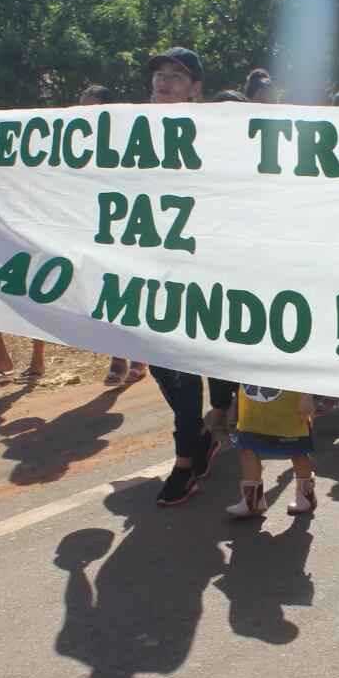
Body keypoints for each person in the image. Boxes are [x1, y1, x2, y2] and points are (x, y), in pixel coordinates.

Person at [142, 47, 238, 506]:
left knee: (184, 362)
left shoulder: (216, 129)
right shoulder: (136, 128)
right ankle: (200, 439)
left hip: (203, 266)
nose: (163, 82)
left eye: (175, 76)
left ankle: (187, 458)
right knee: (157, 357)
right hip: (151, 265)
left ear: (196, 87)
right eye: (159, 74)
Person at [77, 84, 147, 386]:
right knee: (109, 297)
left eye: (92, 107)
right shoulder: (77, 148)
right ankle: (119, 356)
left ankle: (136, 356)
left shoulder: (125, 143)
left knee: (130, 295)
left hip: (127, 232)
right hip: (98, 234)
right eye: (82, 106)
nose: (85, 113)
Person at [226, 386, 317, 517]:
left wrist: (306, 397)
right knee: (247, 447)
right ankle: (252, 500)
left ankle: (305, 494)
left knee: (297, 451)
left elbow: (306, 366)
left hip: (288, 403)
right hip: (252, 403)